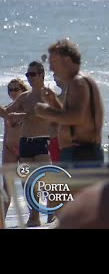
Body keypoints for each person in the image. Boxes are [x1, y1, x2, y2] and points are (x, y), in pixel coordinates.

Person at [35, 39, 104, 165]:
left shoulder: (78, 82)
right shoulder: (79, 81)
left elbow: (76, 117)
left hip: (81, 154)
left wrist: (45, 111)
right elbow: (76, 119)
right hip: (82, 152)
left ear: (66, 60)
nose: (50, 68)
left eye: (54, 62)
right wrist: (54, 103)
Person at [0, 62, 52, 227]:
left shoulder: (48, 94)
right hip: (25, 144)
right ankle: (34, 217)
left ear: (42, 75)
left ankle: (54, 213)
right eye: (28, 74)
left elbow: (43, 113)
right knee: (28, 183)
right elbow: (8, 113)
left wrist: (22, 115)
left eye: (33, 74)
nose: (29, 77)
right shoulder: (24, 97)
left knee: (46, 180)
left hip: (42, 141)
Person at [0, 78, 28, 220]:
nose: (13, 92)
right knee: (6, 186)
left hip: (24, 149)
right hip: (9, 149)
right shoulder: (8, 108)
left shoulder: (28, 108)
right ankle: (2, 220)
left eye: (16, 89)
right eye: (10, 90)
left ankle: (37, 216)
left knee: (27, 183)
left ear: (23, 90)